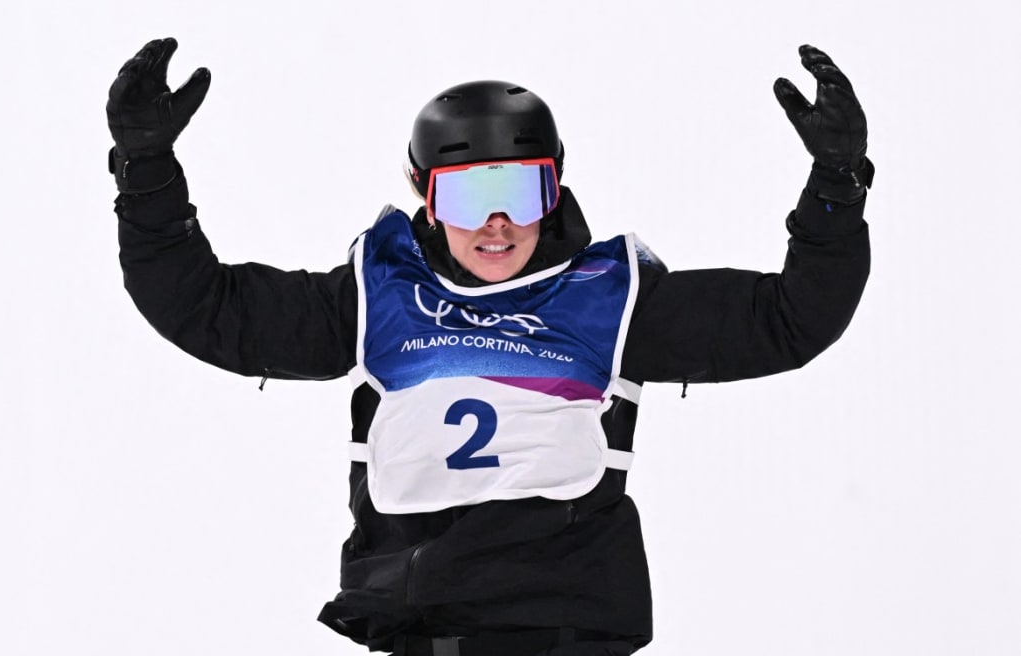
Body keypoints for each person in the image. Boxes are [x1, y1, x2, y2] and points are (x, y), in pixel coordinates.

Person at [107, 38, 872, 656]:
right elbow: (204, 308)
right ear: (426, 197)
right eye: (469, 196)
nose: (497, 223)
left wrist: (836, 185)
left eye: (522, 192)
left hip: (567, 626)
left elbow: (792, 318)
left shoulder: (615, 298)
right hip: (419, 628)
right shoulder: (377, 297)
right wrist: (146, 173)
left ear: (556, 186)